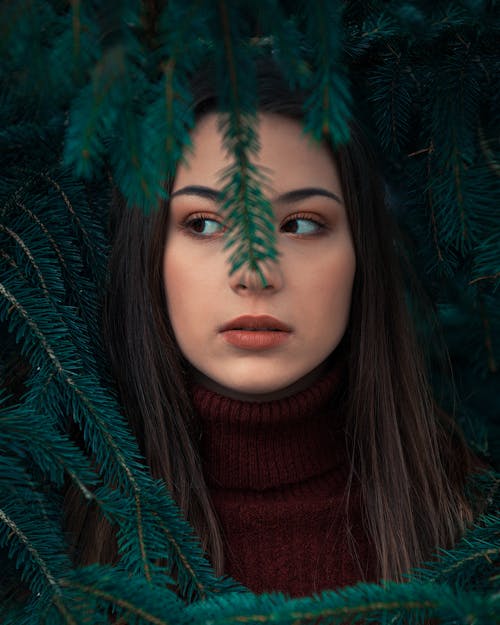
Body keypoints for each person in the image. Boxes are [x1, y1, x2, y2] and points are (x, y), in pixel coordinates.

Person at [64, 61, 476, 597]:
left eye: (301, 224)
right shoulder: (46, 531)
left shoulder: (474, 525)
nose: (254, 272)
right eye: (205, 224)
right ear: (147, 257)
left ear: (360, 257)